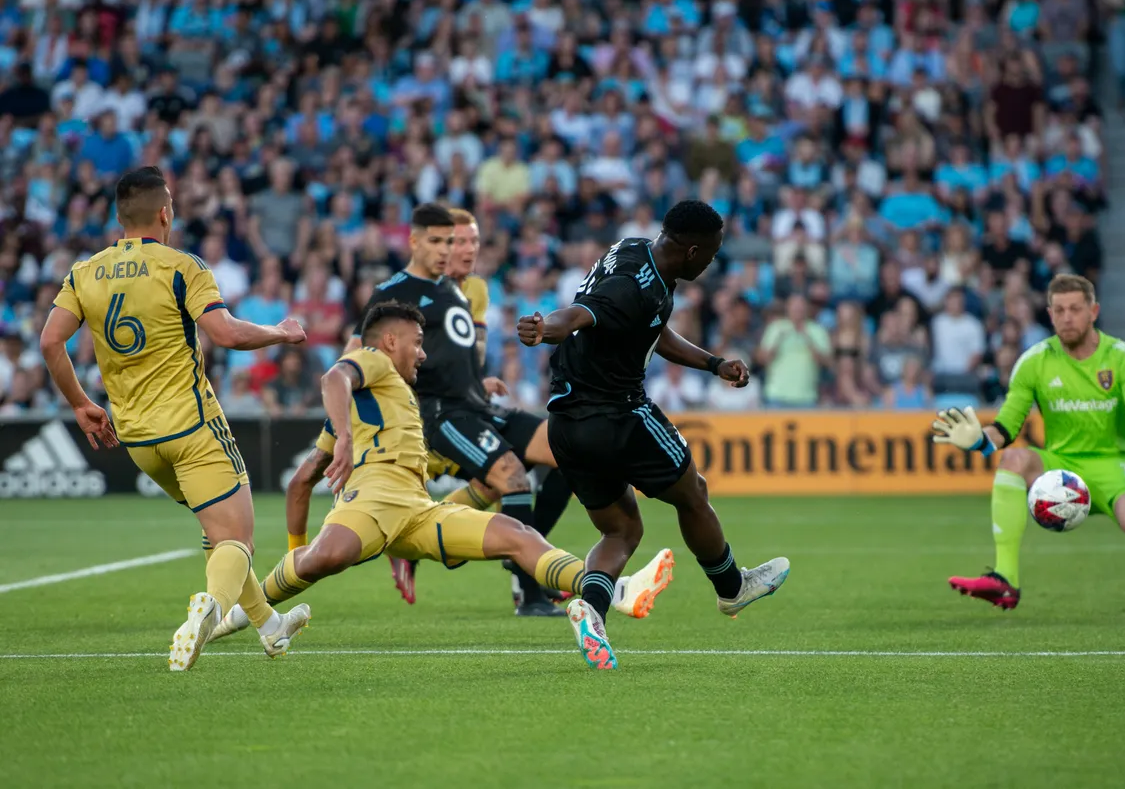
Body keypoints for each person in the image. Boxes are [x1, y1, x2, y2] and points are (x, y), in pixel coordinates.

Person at [208, 302, 671, 649]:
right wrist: (343, 446)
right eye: (417, 341)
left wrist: (474, 481)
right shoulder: (372, 359)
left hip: (416, 510)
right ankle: (243, 612)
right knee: (326, 557)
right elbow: (333, 380)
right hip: (371, 501)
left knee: (517, 533)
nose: (423, 354)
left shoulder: (395, 400)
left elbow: (300, 480)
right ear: (390, 341)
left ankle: (616, 591)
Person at [37, 166, 313, 671]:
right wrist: (281, 332)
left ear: (120, 217)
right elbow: (225, 333)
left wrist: (80, 403)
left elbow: (51, 341)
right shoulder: (181, 265)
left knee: (215, 532)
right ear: (165, 213)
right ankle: (206, 610)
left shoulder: (85, 272)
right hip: (193, 426)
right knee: (238, 540)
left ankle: (271, 628)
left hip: (139, 438)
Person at [518, 200, 790, 670]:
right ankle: (731, 589)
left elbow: (649, 331)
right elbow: (580, 314)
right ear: (690, 251)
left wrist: (713, 363)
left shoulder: (632, 251)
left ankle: (592, 610)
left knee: (621, 528)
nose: (711, 262)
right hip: (619, 416)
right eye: (710, 253)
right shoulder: (631, 289)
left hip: (567, 424)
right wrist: (545, 328)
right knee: (694, 492)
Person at [934, 273, 1125, 617]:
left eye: (1075, 309)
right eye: (1059, 310)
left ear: (1093, 311)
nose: (1067, 317)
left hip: (1117, 463)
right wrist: (980, 439)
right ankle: (1005, 579)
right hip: (1062, 463)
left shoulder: (1122, 357)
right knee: (1013, 459)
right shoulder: (1034, 361)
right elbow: (1006, 427)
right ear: (1050, 315)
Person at [388, 207, 575, 612]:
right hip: (432, 414)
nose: (469, 248)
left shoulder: (475, 289)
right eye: (459, 240)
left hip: (474, 405)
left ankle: (522, 554)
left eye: (475, 240)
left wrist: (476, 382)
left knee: (566, 453)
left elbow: (469, 356)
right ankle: (528, 588)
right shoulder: (413, 292)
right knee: (510, 481)